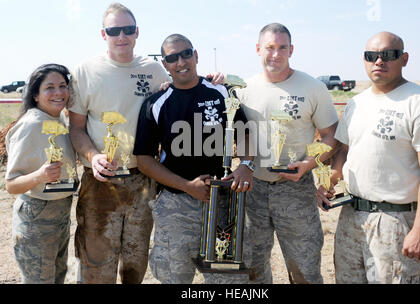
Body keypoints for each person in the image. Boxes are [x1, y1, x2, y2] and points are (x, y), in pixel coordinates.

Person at [317, 31, 420, 283]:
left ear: (404, 59)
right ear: (364, 60)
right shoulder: (356, 103)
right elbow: (344, 151)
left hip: (396, 220)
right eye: (372, 56)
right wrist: (330, 180)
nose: (379, 61)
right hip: (351, 215)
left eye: (388, 55)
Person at [133, 33, 253, 284]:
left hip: (222, 203)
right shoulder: (156, 103)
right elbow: (144, 159)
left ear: (196, 55)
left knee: (227, 278)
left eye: (186, 53)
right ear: (165, 64)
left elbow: (244, 134)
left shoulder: (222, 93)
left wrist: (245, 165)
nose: (181, 61)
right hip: (175, 205)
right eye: (172, 58)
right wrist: (187, 186)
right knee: (175, 278)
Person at [68, 3, 173, 284]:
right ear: (104, 34)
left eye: (128, 29)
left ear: (137, 32)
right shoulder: (85, 71)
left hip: (142, 182)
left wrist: (215, 80)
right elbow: (76, 128)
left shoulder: (154, 70)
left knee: (135, 265)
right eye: (114, 31)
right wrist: (93, 157)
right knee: (96, 266)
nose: (122, 36)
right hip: (100, 183)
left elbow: (183, 89)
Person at [236, 23, 339, 284]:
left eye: (283, 47)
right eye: (269, 47)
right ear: (258, 49)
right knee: (252, 269)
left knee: (304, 269)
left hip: (295, 189)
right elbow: (237, 135)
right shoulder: (242, 91)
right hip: (253, 190)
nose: (276, 54)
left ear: (291, 50)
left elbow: (330, 136)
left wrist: (307, 163)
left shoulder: (312, 87)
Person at [5, 63, 77, 283]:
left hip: (60, 212)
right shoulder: (31, 125)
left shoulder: (58, 119)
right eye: (49, 88)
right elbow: (11, 185)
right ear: (35, 95)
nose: (58, 93)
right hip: (36, 216)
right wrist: (40, 175)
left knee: (57, 277)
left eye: (62, 85)